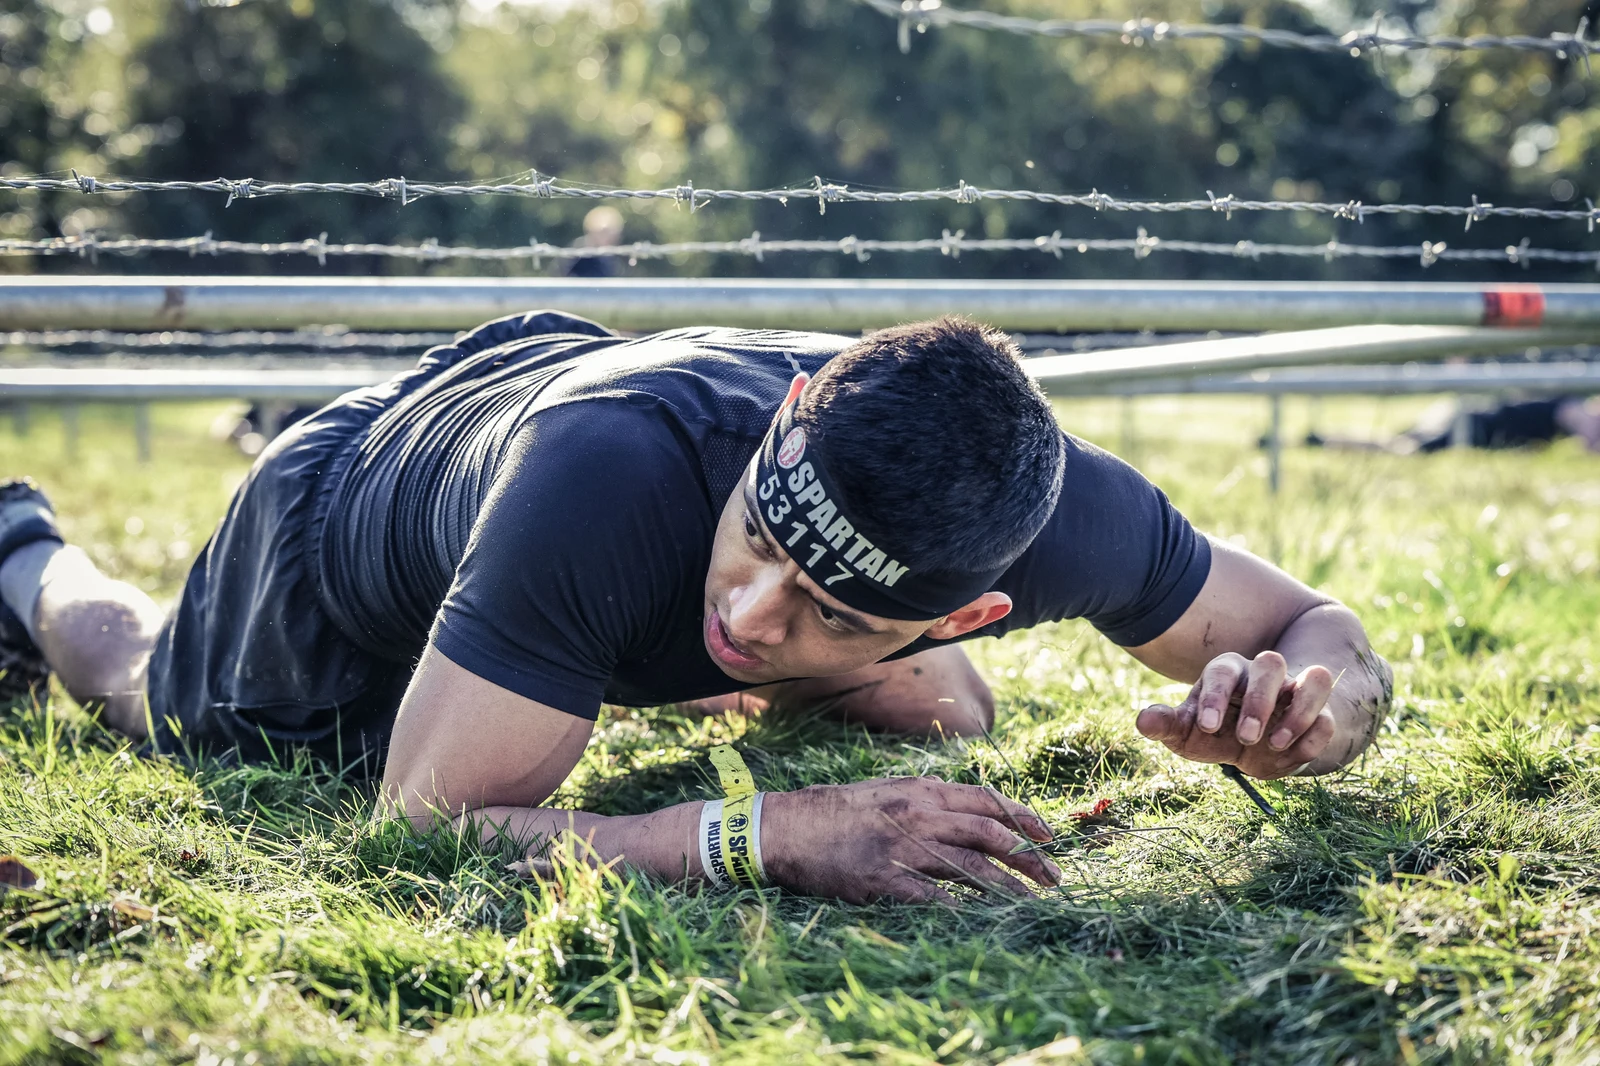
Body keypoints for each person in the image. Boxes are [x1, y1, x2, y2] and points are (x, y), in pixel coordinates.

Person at [0, 312, 1392, 904]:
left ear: (971, 606)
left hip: (552, 456)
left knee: (945, 717)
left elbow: (1321, 628)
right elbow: (420, 831)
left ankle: (826, 631)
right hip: (344, 530)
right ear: (792, 414)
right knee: (135, 681)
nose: (750, 608)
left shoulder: (1066, 511)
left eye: (827, 606)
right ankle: (23, 553)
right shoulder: (604, 486)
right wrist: (767, 831)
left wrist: (1309, 721)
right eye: (759, 538)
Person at [562, 206, 626, 279]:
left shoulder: (613, 257)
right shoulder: (578, 254)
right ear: (592, 230)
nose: (611, 236)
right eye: (605, 231)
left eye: (615, 232)